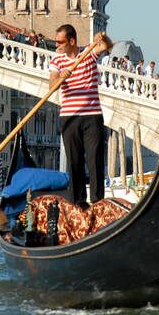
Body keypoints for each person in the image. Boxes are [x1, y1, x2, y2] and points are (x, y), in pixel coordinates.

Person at [49, 24, 112, 205]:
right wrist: (62, 77)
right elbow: (51, 86)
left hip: (92, 115)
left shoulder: (88, 54)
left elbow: (107, 46)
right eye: (56, 41)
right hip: (69, 117)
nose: (57, 45)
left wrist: (103, 37)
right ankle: (78, 203)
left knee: (95, 160)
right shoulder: (57, 62)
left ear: (72, 41)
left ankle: (98, 202)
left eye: (60, 42)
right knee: (74, 161)